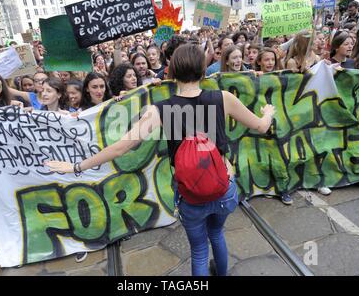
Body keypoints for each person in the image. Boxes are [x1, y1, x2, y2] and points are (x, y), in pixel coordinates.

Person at [45, 44, 276, 276]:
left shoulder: (160, 110)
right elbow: (261, 126)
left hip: (190, 194)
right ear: (203, 70)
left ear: (171, 71)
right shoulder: (223, 98)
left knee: (198, 251)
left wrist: (76, 166)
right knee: (216, 234)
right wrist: (268, 112)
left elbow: (121, 147)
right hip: (224, 186)